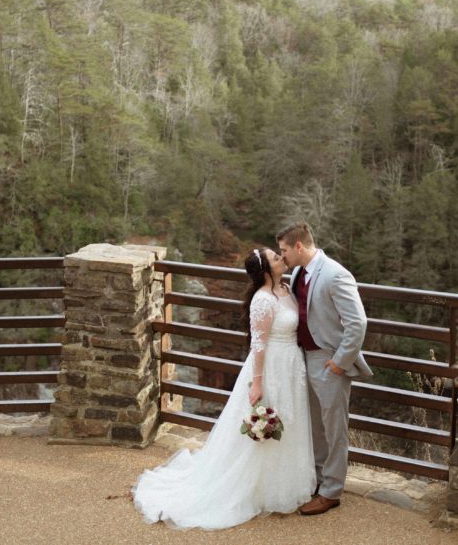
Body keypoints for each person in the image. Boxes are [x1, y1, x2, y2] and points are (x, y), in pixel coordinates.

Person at [132, 248, 314, 529]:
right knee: (268, 422)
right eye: (275, 257)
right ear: (266, 269)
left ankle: (282, 484)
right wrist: (257, 382)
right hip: (272, 368)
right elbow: (258, 344)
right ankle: (253, 488)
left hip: (292, 367)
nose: (281, 258)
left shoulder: (286, 289)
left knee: (289, 420)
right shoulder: (262, 300)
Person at [276, 222, 372, 516]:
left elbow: (358, 323)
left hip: (329, 361)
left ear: (299, 246)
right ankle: (317, 481)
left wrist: (340, 362)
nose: (283, 257)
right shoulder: (296, 275)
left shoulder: (336, 274)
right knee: (314, 425)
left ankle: (331, 491)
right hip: (303, 359)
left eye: (284, 250)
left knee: (334, 428)